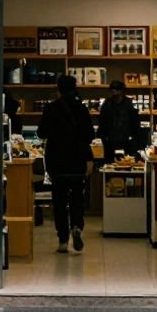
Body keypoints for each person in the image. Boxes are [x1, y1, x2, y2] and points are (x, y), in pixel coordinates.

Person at [37, 74, 94, 255]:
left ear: (58, 89)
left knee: (59, 200)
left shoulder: (51, 108)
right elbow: (90, 136)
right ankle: (76, 226)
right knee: (77, 197)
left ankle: (62, 240)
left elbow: (41, 132)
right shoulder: (82, 109)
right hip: (77, 160)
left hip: (57, 161)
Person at [96, 80, 143, 157]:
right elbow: (102, 122)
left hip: (127, 140)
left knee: (127, 161)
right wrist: (100, 138)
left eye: (117, 89)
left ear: (122, 90)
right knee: (109, 163)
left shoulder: (129, 103)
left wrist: (137, 141)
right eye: (112, 89)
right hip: (110, 140)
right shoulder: (107, 103)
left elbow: (135, 123)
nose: (114, 91)